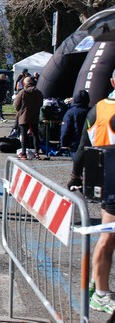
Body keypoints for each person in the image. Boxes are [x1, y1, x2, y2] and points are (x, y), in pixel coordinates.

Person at [67, 68, 115, 314]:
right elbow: (84, 147)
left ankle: (99, 281)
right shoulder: (102, 109)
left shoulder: (97, 108)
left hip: (106, 177)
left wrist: (75, 174)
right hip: (111, 180)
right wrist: (76, 174)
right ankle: (100, 292)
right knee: (108, 239)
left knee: (108, 239)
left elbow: (82, 147)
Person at [13, 76, 44, 160]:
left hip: (24, 116)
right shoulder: (39, 92)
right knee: (35, 134)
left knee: (24, 135)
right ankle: (37, 152)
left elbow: (16, 105)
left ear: (25, 83)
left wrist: (20, 110)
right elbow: (41, 104)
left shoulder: (23, 92)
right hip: (35, 115)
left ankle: (23, 153)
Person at [60, 90, 90, 158]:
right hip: (89, 144)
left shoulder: (70, 112)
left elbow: (66, 129)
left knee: (77, 166)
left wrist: (64, 143)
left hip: (75, 145)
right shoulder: (92, 111)